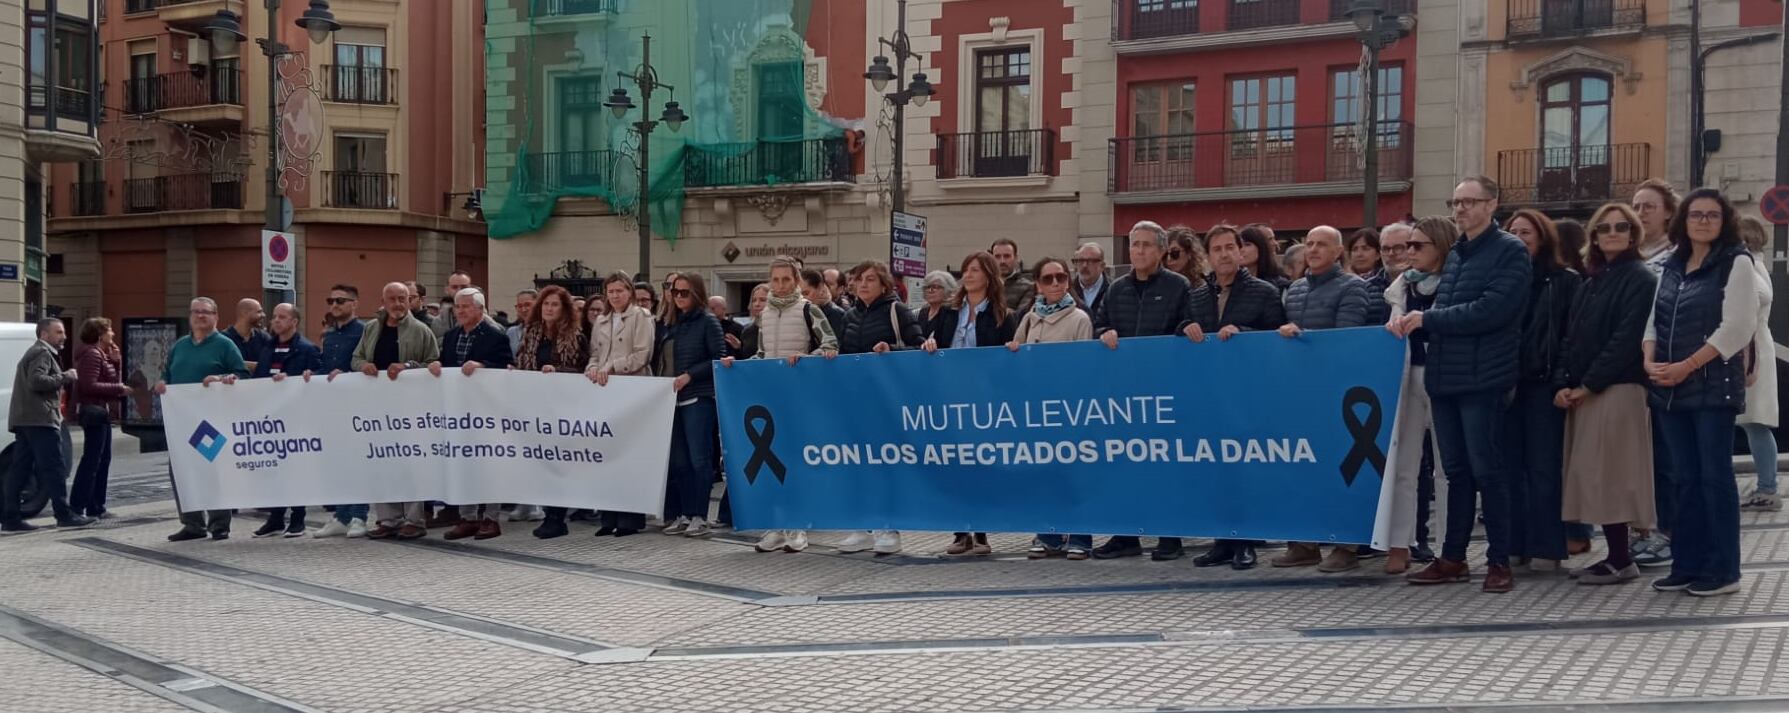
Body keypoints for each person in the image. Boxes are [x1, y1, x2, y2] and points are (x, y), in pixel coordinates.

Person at [1400, 176, 1532, 594]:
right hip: (1446, 378)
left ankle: (1499, 561)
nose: (1460, 210)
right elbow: (1451, 306)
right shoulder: (1456, 253)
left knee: (1487, 470)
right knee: (1456, 473)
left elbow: (1492, 310)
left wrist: (1428, 320)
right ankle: (1453, 557)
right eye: (1455, 202)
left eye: (1469, 202)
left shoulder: (1509, 251)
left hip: (1484, 378)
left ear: (1492, 204)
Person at [1644, 188, 1753, 597]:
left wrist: (1686, 366)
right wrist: (1648, 359)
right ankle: (1686, 564)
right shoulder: (1672, 265)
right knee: (1683, 481)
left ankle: (1723, 569)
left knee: (1714, 478)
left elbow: (1737, 328)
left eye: (1712, 215)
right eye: (1695, 215)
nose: (1703, 221)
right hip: (1670, 389)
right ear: (1683, 221)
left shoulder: (1735, 263)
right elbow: (1654, 319)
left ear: (1724, 221)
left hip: (1712, 388)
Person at [1091, 220, 1211, 561]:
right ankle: (1126, 536)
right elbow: (1101, 322)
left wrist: (1186, 326)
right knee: (1123, 465)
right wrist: (1104, 332)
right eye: (1134, 245)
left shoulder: (1178, 286)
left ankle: (1169, 537)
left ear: (1160, 251)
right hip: (1124, 394)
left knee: (1163, 467)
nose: (1139, 251)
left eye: (1146, 245)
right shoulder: (1116, 289)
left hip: (1163, 392)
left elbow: (1187, 321)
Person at [1554, 202, 1658, 585]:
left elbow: (1627, 340)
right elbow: (1572, 337)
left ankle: (1621, 558)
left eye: (1621, 227)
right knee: (1595, 475)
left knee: (1615, 475)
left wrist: (1588, 384)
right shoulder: (1593, 280)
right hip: (1586, 390)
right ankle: (1616, 555)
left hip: (1618, 388)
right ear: (1594, 237)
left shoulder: (1640, 278)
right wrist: (1564, 383)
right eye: (1604, 228)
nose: (1612, 233)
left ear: (1633, 234)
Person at [1274, 225, 1373, 571]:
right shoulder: (1296, 290)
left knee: (1340, 469)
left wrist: (1303, 337)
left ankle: (1345, 545)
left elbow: (1346, 339)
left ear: (1338, 251)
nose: (1313, 250)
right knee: (1302, 468)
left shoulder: (1353, 288)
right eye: (1309, 244)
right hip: (1300, 392)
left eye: (1321, 245)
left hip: (1339, 393)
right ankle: (1304, 542)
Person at [725, 257, 839, 554]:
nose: (780, 285)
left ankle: (797, 525)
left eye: (786, 279)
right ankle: (776, 526)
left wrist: (805, 359)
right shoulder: (764, 315)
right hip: (769, 397)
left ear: (796, 280)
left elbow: (830, 346)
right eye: (774, 280)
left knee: (794, 460)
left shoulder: (807, 308)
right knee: (772, 463)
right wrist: (734, 365)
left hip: (799, 396)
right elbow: (762, 354)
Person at [1188, 224, 1285, 570]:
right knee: (1216, 471)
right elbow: (1180, 333)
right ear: (1209, 255)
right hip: (1210, 395)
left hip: (1249, 395)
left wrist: (1243, 333)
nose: (1225, 254)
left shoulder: (1263, 292)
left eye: (1231, 247)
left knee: (1245, 469)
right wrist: (1185, 329)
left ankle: (1245, 541)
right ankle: (1222, 541)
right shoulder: (1198, 295)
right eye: (1217, 249)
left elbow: (1276, 338)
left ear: (1241, 251)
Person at [922, 252, 1018, 556]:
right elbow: (933, 341)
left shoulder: (1004, 314)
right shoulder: (950, 312)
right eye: (965, 270)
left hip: (984, 398)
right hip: (951, 395)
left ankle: (981, 532)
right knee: (955, 462)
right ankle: (960, 531)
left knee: (981, 463)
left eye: (975, 270)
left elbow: (1007, 356)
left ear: (989, 275)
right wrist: (930, 344)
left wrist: (1012, 349)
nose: (969, 275)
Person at [1502, 208, 1580, 572]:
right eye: (1512, 232)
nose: (1518, 238)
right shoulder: (1500, 280)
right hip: (1504, 384)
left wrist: (1562, 379)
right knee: (1509, 468)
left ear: (1542, 237)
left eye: (1526, 232)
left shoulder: (1564, 280)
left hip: (1544, 384)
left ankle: (1548, 545)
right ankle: (1515, 543)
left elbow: (1571, 336)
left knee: (1544, 468)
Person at [1382, 217, 1457, 575]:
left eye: (1416, 246)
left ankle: (1448, 546)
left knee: (1448, 468)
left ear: (1440, 247)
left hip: (1446, 376)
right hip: (1407, 376)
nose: (1408, 253)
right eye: (1407, 245)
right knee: (1402, 464)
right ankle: (1400, 542)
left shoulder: (1456, 283)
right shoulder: (1401, 286)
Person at [1008, 257, 1095, 560]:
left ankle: (1081, 536)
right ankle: (1049, 535)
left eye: (1060, 277)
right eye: (1048, 279)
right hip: (1036, 409)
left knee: (1074, 473)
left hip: (1068, 408)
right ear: (1038, 285)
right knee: (1045, 472)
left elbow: (1085, 367)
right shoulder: (1031, 318)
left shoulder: (1080, 319)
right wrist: (1014, 350)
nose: (1055, 283)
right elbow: (1015, 353)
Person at [835, 261, 924, 555]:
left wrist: (891, 350)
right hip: (855, 400)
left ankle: (889, 527)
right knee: (857, 464)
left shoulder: (896, 311)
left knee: (886, 464)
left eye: (870, 279)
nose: (863, 284)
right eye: (859, 279)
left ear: (883, 284)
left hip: (887, 401)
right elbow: (844, 356)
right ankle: (861, 526)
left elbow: (919, 348)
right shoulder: (849, 316)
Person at [346, 282, 440, 540]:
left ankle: (413, 520)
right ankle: (388, 519)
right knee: (381, 461)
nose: (398, 304)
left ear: (410, 301)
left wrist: (408, 366)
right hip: (377, 410)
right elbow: (355, 359)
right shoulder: (371, 328)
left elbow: (434, 362)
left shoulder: (422, 330)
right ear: (384, 301)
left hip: (410, 409)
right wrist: (363, 365)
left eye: (403, 298)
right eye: (393, 299)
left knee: (410, 463)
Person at [158, 297, 250, 541]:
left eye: (206, 313)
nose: (200, 316)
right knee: (181, 470)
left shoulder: (225, 345)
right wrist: (162, 384)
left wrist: (222, 378)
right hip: (183, 423)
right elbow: (167, 374)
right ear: (190, 316)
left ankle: (219, 524)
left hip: (212, 422)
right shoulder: (180, 346)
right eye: (196, 312)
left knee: (213, 470)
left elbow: (242, 375)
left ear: (216, 317)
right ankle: (192, 524)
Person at [429, 288, 515, 540]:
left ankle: (490, 518)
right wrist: (436, 365)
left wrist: (483, 366)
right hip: (457, 412)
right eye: (457, 306)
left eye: (466, 306)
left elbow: (507, 365)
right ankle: (467, 517)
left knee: (488, 464)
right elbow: (445, 364)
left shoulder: (494, 334)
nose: (461, 311)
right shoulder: (452, 335)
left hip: (486, 413)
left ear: (480, 309)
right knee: (462, 463)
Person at [1630, 179, 1682, 568]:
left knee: (1666, 455)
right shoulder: (1626, 254)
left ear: (1668, 212)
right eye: (1636, 205)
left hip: (1663, 363)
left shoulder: (1678, 256)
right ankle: (1641, 529)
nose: (1641, 212)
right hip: (1626, 369)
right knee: (1635, 456)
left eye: (1649, 206)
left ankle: (1668, 531)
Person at [586, 272, 660, 536]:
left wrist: (612, 367)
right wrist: (593, 368)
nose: (615, 295)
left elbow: (642, 353)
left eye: (620, 290)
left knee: (630, 454)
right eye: (611, 291)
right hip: (605, 390)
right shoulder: (602, 320)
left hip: (631, 386)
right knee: (608, 454)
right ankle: (609, 515)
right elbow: (595, 352)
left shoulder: (641, 316)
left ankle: (630, 516)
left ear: (629, 292)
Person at [0, 319, 92, 532]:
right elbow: (37, 381)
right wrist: (65, 377)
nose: (64, 337)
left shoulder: (36, 351)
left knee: (20, 469)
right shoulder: (41, 353)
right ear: (44, 334)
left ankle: (11, 517)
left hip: (27, 420)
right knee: (53, 467)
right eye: (59, 332)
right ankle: (64, 514)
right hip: (40, 420)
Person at [514, 286, 590, 538]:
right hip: (536, 407)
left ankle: (557, 517)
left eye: (555, 304)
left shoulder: (575, 335)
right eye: (546, 304)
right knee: (542, 461)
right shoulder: (531, 333)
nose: (549, 308)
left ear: (564, 308)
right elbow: (523, 361)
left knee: (559, 461)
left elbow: (582, 370)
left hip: (562, 407)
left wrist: (558, 372)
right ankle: (549, 512)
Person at [658, 274, 727, 539]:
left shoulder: (707, 321)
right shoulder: (672, 323)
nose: (678, 296)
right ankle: (685, 513)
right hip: (672, 399)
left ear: (696, 294)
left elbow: (718, 358)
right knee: (680, 460)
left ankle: (699, 514)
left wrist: (690, 374)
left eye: (684, 293)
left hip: (698, 396)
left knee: (700, 458)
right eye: (675, 292)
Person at [248, 303, 323, 539]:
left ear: (294, 322)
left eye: (282, 317)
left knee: (295, 468)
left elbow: (317, 379)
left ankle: (298, 517)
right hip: (270, 418)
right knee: (274, 469)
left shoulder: (307, 349)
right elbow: (260, 377)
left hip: (296, 417)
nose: (276, 321)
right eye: (274, 317)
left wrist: (292, 380)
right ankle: (276, 517)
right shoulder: (267, 347)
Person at [312, 284, 370, 538]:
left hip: (358, 405)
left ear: (354, 304)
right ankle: (341, 515)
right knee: (339, 462)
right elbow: (325, 367)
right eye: (331, 300)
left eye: (340, 301)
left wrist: (349, 375)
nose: (334, 305)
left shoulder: (366, 331)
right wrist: (311, 375)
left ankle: (359, 516)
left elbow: (368, 364)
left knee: (358, 462)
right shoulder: (330, 335)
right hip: (332, 407)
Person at [1736, 216, 1781, 512]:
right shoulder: (1756, 262)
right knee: (1754, 422)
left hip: (1750, 353)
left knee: (1755, 422)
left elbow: (1759, 296)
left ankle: (1767, 489)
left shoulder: (1748, 264)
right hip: (1755, 349)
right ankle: (1767, 487)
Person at [67, 317, 128, 520]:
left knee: (103, 460)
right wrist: (120, 388)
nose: (113, 333)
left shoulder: (101, 354)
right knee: (92, 461)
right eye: (109, 330)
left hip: (102, 413)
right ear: (100, 334)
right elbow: (89, 385)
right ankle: (78, 506)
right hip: (94, 413)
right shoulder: (92, 354)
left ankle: (96, 506)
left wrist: (116, 362)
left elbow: (108, 379)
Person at [1349, 228, 1393, 324]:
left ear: (1378, 254)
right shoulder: (1345, 284)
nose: (1359, 254)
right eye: (1354, 249)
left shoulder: (1387, 281)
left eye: (1365, 249)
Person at [220, 298, 270, 374]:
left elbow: (274, 361)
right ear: (244, 313)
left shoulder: (263, 337)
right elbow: (221, 364)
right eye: (259, 312)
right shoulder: (224, 338)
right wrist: (256, 365)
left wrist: (238, 364)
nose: (263, 315)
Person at [991, 238, 1037, 314]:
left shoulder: (1028, 286)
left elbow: (1020, 316)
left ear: (1015, 258)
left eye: (1007, 256)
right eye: (997, 257)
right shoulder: (984, 285)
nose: (1002, 261)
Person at [802, 269, 850, 340]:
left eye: (806, 293)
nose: (802, 298)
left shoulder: (836, 313)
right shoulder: (801, 310)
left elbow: (835, 345)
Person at [1240, 224, 1288, 292]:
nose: (1241, 250)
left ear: (1261, 247)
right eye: (1239, 245)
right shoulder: (1229, 285)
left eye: (1247, 244)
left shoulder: (1280, 284)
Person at [917, 270, 958, 341]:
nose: (930, 290)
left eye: (936, 287)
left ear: (948, 290)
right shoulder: (922, 312)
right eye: (928, 287)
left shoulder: (951, 313)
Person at [1070, 242, 1108, 316]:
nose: (1084, 265)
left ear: (1102, 266)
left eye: (1091, 261)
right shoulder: (1068, 290)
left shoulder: (1114, 290)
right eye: (1080, 261)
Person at [739, 283, 770, 359]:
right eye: (754, 300)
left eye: (762, 300)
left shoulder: (780, 327)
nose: (757, 304)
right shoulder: (747, 331)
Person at [508, 288, 538, 356]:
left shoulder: (546, 331)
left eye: (527, 305)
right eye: (519, 306)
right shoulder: (511, 332)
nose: (523, 309)